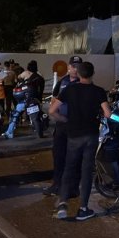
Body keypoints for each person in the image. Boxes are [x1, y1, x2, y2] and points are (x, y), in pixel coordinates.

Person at [49, 61, 111, 221]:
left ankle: (63, 203)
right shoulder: (98, 91)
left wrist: (65, 120)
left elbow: (52, 110)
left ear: (79, 73)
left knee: (69, 168)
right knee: (86, 171)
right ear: (92, 74)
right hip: (90, 135)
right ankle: (83, 208)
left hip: (73, 135)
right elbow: (108, 114)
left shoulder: (70, 89)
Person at [43, 55, 82, 196]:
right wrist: (59, 116)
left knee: (75, 157)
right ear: (69, 67)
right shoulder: (62, 82)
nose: (76, 69)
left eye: (78, 66)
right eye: (73, 66)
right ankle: (56, 185)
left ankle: (73, 188)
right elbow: (54, 99)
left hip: (76, 126)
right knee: (59, 155)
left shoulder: (83, 82)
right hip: (61, 125)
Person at [2, 60, 45, 139]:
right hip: (35, 99)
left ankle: (9, 133)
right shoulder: (40, 76)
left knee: (14, 115)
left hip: (24, 100)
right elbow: (41, 90)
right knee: (37, 117)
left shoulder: (26, 73)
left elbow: (18, 78)